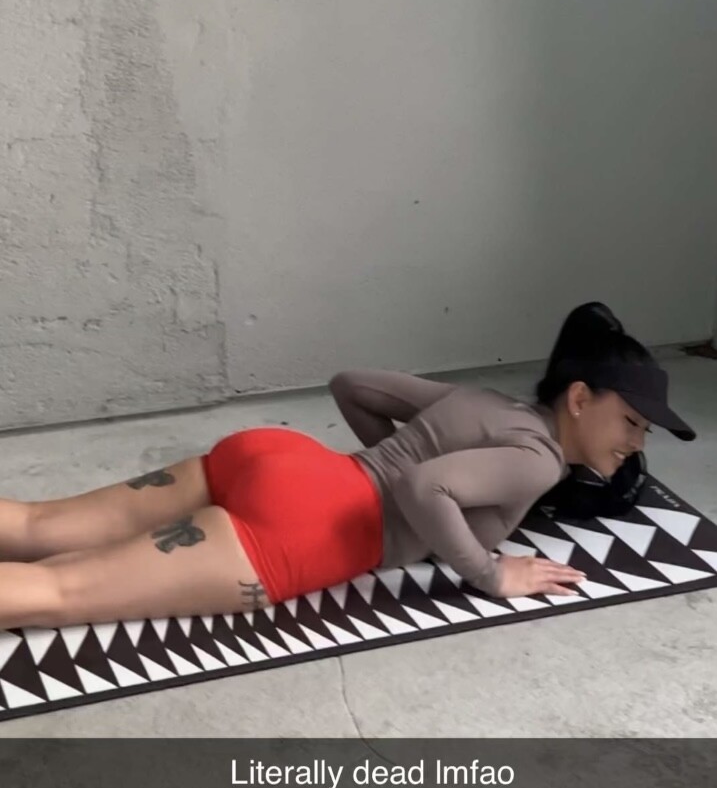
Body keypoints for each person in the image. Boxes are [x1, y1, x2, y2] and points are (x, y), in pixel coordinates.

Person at [0, 302, 695, 631]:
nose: (637, 442)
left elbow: (352, 385)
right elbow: (425, 485)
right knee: (57, 591)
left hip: (283, 459)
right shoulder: (537, 462)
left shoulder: (489, 402)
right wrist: (491, 573)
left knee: (37, 524)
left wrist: (381, 462)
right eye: (631, 421)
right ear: (580, 398)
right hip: (305, 531)